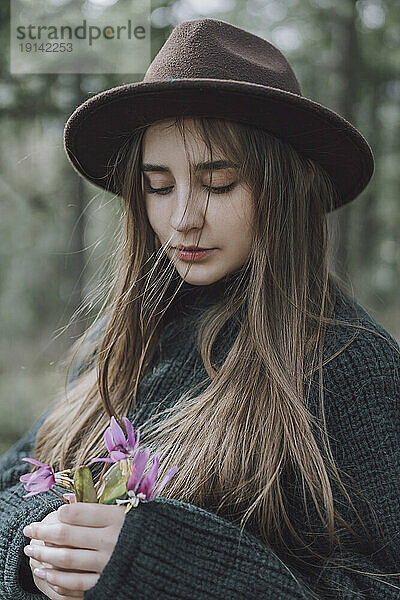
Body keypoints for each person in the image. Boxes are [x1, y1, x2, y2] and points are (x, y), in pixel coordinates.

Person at [1, 17, 399, 600]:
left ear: (283, 189)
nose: (183, 217)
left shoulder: (351, 366)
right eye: (159, 186)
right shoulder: (120, 342)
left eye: (217, 184)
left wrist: (166, 561)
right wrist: (36, 551)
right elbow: (14, 482)